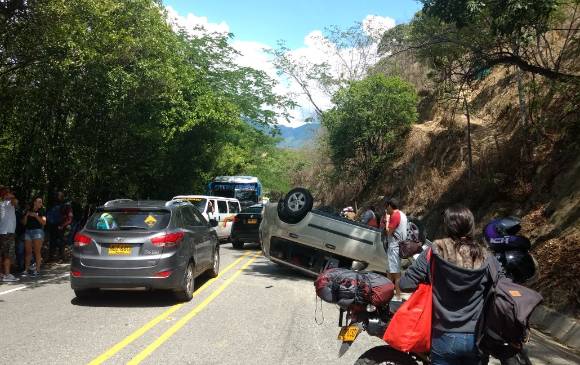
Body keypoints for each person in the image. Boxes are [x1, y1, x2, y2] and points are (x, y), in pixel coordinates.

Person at [400, 205, 499, 365]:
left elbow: (405, 284)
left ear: (447, 227)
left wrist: (431, 280)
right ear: (471, 227)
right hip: (476, 338)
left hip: (443, 337)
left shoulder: (433, 252)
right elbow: (499, 287)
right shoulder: (486, 257)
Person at [384, 197, 407, 301]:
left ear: (390, 206)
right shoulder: (402, 214)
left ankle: (397, 296)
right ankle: (388, 294)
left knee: (395, 273)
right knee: (389, 271)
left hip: (394, 247)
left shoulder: (395, 215)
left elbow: (388, 231)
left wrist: (387, 220)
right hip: (398, 246)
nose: (386, 210)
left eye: (386, 207)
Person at [23, 196, 47, 276]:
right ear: (34, 202)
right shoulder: (28, 210)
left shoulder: (42, 211)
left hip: (38, 231)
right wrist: (26, 215)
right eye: (39, 202)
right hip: (28, 232)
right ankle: (26, 270)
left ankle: (37, 270)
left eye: (41, 202)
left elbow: (44, 222)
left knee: (37, 251)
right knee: (28, 252)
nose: (41, 203)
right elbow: (24, 223)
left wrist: (36, 216)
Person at [0, 187, 19, 282]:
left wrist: (8, 194)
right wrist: (8, 194)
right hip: (7, 232)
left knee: (4, 254)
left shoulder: (5, 204)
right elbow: (15, 201)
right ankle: (6, 274)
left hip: (3, 232)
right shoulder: (7, 203)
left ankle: (2, 274)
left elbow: (15, 201)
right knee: (7, 254)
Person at [47, 191, 65, 262]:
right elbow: (48, 214)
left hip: (60, 225)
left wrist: (63, 225)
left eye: (59, 195)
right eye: (57, 195)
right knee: (52, 241)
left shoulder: (64, 205)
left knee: (60, 241)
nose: (57, 196)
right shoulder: (52, 204)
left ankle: (61, 257)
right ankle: (51, 257)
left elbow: (66, 216)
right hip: (52, 225)